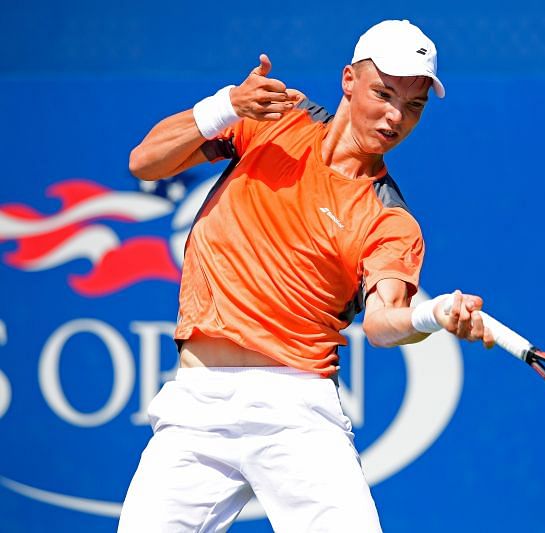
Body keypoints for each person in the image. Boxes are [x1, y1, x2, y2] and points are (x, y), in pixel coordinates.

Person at [118, 19, 493, 533]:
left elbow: (382, 324)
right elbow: (146, 162)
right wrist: (227, 104)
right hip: (198, 403)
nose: (394, 118)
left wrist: (433, 314)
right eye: (384, 94)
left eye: (413, 107)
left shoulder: (389, 219)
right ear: (348, 81)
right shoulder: (272, 118)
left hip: (297, 413)